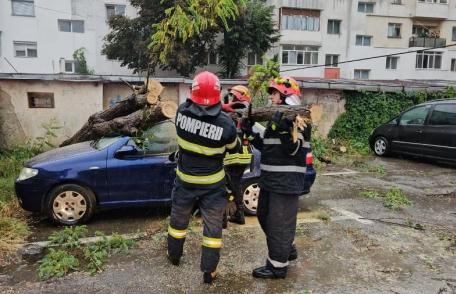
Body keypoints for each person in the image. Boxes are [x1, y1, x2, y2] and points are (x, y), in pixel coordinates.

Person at [167, 71, 240, 284]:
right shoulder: (226, 124)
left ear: (193, 93)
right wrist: (223, 113)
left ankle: (174, 255)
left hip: (185, 181)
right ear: (218, 96)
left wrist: (217, 111)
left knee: (178, 221)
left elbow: (197, 112)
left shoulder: (180, 113)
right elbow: (232, 150)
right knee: (212, 228)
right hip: (212, 186)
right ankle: (209, 271)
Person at [241, 76, 311, 279]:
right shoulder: (275, 119)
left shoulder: (300, 119)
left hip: (286, 183)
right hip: (270, 180)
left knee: (279, 224)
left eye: (274, 93)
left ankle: (277, 267)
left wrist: (282, 129)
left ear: (286, 95)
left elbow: (293, 149)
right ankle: (287, 248)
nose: (271, 97)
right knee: (263, 216)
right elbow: (266, 146)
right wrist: (250, 132)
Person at [221, 85, 253, 226]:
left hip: (234, 156)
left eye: (234, 95)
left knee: (227, 187)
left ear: (240, 95)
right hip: (242, 156)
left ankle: (225, 218)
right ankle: (238, 215)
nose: (232, 98)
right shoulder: (248, 109)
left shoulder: (239, 107)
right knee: (236, 186)